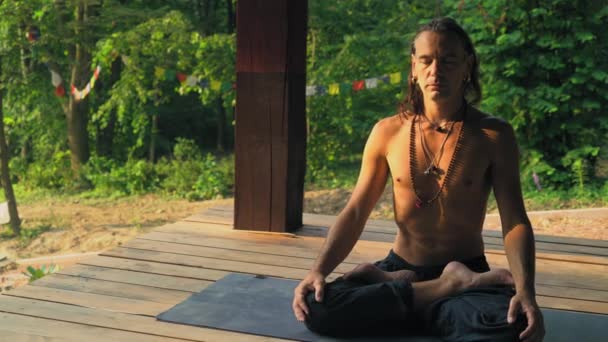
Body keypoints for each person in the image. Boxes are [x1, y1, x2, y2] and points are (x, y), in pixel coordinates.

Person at [292, 17, 545, 341]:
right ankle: (442, 289)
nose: (435, 71)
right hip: (403, 266)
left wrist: (526, 291)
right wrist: (318, 271)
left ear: (467, 66)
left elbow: (514, 220)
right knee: (316, 307)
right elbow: (355, 211)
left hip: (467, 266)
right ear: (413, 68)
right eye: (426, 61)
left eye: (448, 61)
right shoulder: (387, 132)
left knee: (514, 328)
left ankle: (406, 295)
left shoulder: (493, 135)